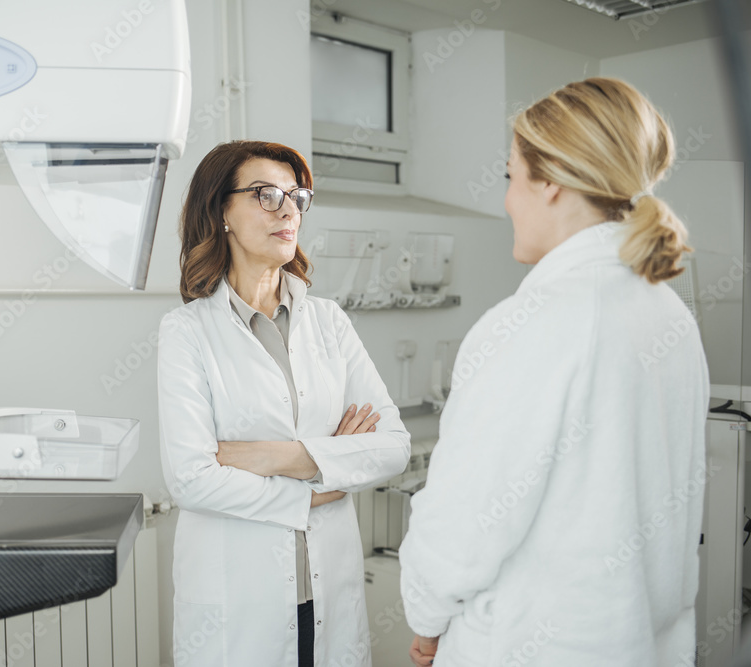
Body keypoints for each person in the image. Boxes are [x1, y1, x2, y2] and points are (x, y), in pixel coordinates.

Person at [399, 77, 709, 667]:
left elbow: (465, 517)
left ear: (550, 183)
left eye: (510, 176)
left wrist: (424, 617)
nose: (508, 199)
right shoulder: (665, 311)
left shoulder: (536, 321)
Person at [157, 140, 411, 667]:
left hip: (327, 588)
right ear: (220, 211)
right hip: (238, 598)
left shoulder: (328, 321)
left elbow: (393, 447)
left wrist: (280, 457)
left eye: (296, 196)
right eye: (265, 194)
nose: (289, 209)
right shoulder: (187, 331)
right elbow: (191, 477)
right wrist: (316, 486)